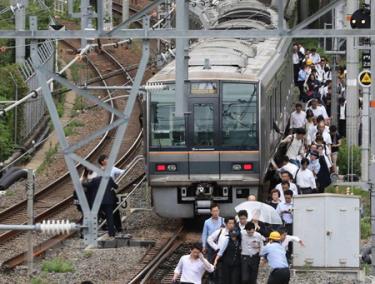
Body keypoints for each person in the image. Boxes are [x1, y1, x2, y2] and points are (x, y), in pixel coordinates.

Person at [207, 217, 236, 283]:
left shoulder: (236, 233)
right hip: (221, 256)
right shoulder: (220, 231)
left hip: (231, 257)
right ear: (225, 224)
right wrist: (216, 247)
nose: (231, 225)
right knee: (220, 275)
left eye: (233, 223)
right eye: (230, 223)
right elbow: (209, 239)